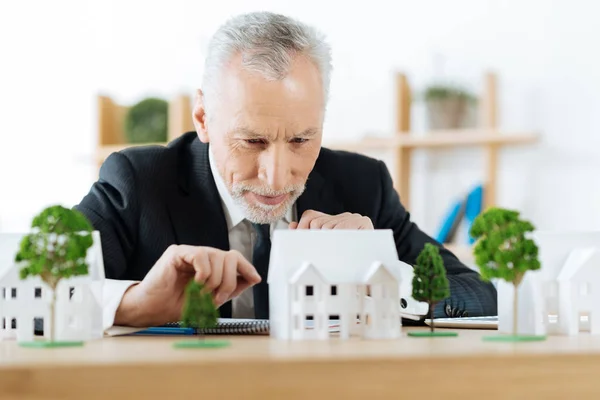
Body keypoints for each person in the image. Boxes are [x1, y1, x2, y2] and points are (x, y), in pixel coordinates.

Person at [75, 11, 497, 330]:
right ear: (203, 118)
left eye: (300, 140)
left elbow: (482, 296)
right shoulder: (137, 182)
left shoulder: (363, 186)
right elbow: (18, 286)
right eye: (252, 141)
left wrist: (382, 278)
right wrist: (134, 304)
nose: (277, 179)